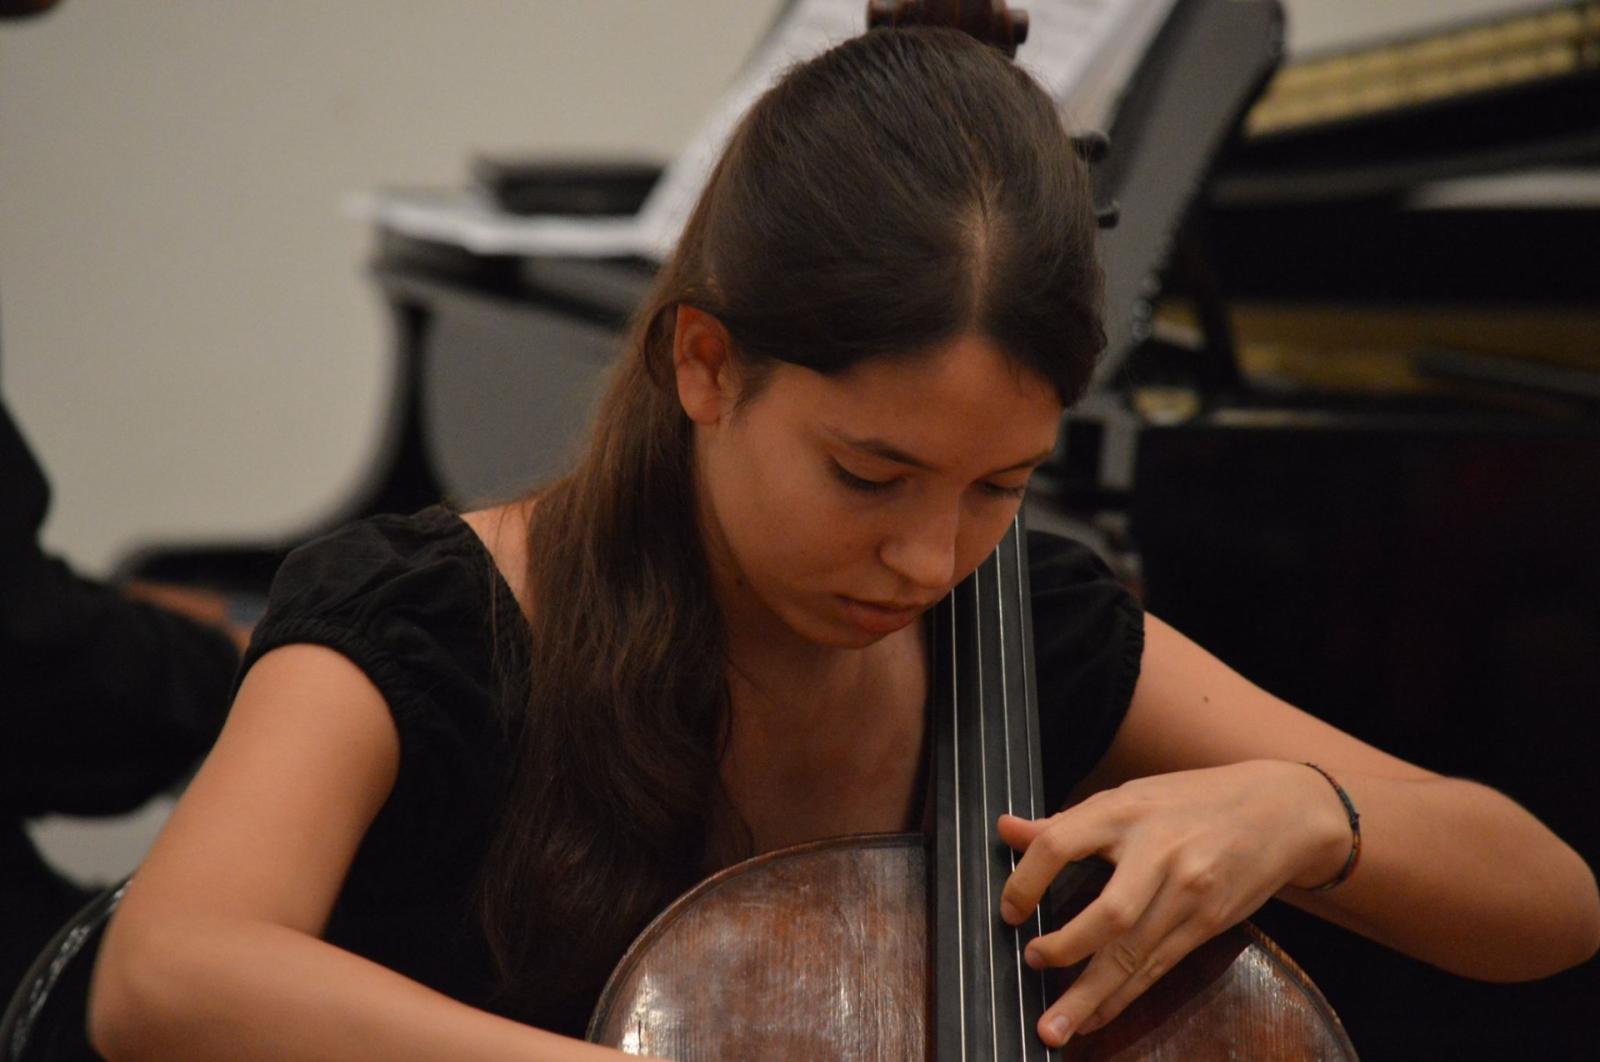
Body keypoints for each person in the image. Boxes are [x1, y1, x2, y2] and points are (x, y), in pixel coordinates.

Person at [88, 26, 1599, 1059]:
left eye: (1001, 481)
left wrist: (1303, 809)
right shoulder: (424, 620)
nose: (931, 556)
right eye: (870, 472)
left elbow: (1548, 900)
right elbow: (162, 977)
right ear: (704, 366)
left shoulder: (1032, 631)